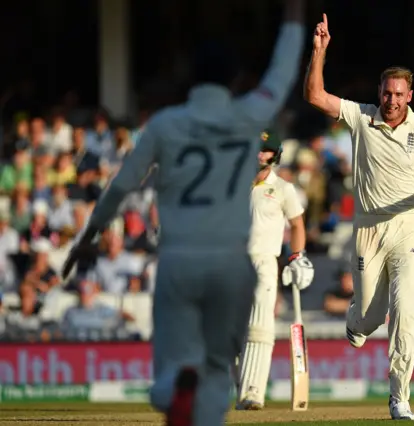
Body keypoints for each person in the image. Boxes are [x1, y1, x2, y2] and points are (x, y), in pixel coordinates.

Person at [61, 2, 306, 425]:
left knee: (172, 371)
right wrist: (294, 14)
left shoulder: (165, 124)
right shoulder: (250, 114)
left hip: (179, 260)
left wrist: (90, 237)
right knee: (215, 374)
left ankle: (176, 384)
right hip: (231, 263)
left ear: (190, 79)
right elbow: (282, 71)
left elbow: (121, 186)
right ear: (233, 80)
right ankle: (195, 389)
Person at [303, 13, 414, 421]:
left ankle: (399, 397)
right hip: (368, 231)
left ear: (410, 95)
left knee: (404, 309)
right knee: (372, 318)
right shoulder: (362, 116)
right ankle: (356, 320)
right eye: (387, 92)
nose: (391, 100)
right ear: (379, 92)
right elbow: (315, 96)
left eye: (398, 94)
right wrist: (319, 51)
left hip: (408, 228)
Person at [235, 130, 313, 410]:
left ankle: (253, 392)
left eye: (265, 150)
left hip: (264, 261)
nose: (259, 154)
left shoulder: (282, 188)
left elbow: (298, 225)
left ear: (275, 154)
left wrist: (296, 256)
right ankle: (240, 388)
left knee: (260, 325)